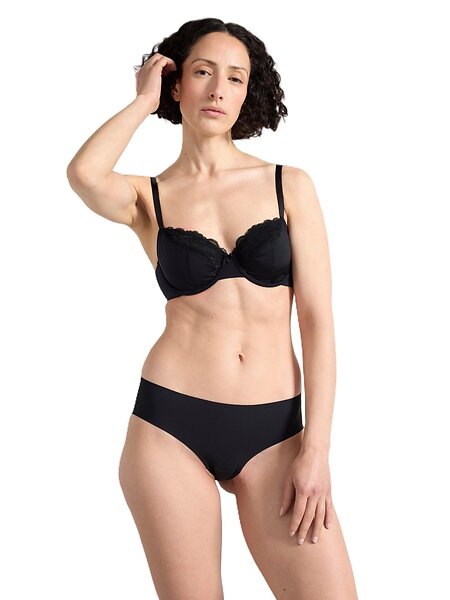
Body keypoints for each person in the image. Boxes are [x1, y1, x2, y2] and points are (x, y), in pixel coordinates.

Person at [67, 17, 358, 600]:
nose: (219, 89)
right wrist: (143, 101)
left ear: (248, 93)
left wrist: (317, 449)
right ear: (177, 84)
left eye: (235, 78)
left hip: (276, 432)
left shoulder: (288, 184)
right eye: (203, 72)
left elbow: (318, 323)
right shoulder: (148, 197)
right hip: (169, 427)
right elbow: (84, 174)